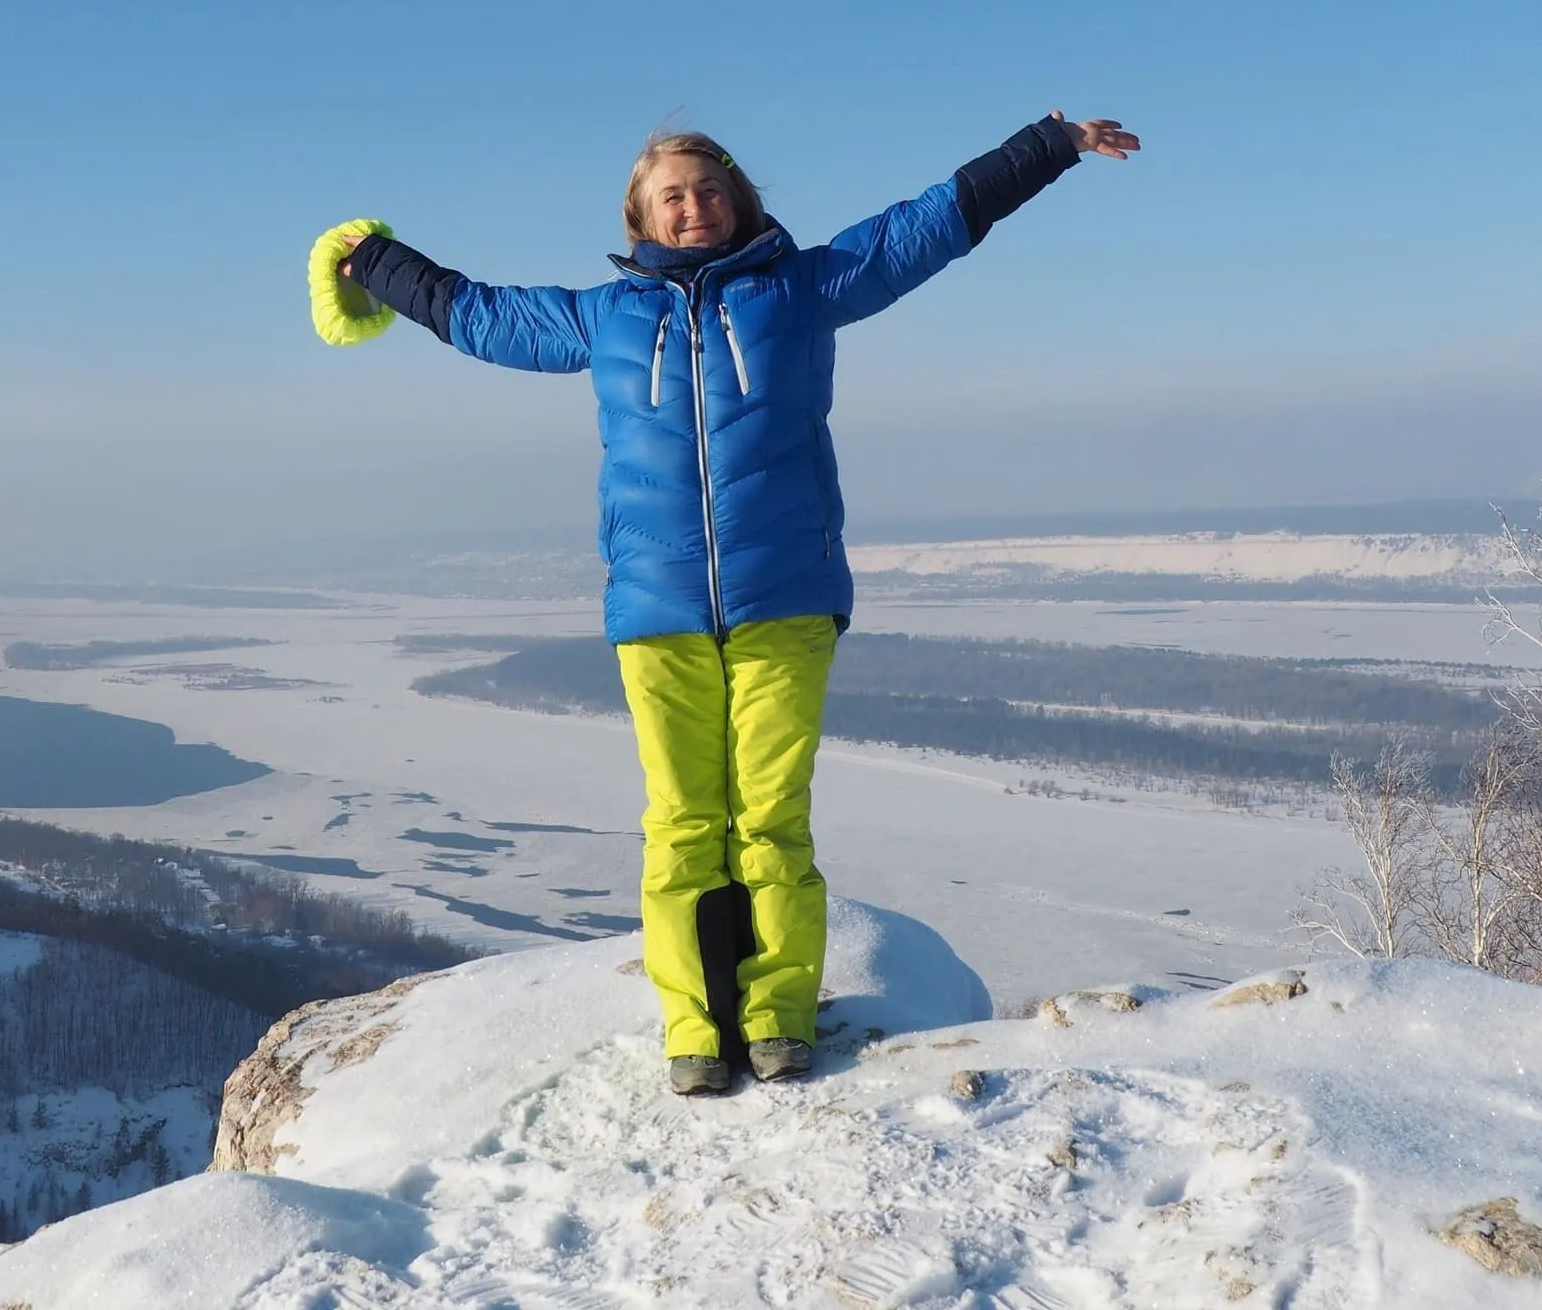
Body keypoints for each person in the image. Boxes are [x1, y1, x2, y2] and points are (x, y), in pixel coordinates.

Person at [316, 110, 1136, 1094]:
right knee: (682, 823)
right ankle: (697, 1030)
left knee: (772, 820)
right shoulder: (602, 317)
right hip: (656, 610)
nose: (695, 207)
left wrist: (1047, 145)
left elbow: (927, 227)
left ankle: (779, 1015)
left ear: (737, 199)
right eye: (674, 196)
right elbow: (479, 313)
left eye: (709, 190)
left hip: (783, 598)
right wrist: (372, 260)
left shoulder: (801, 290)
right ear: (643, 218)